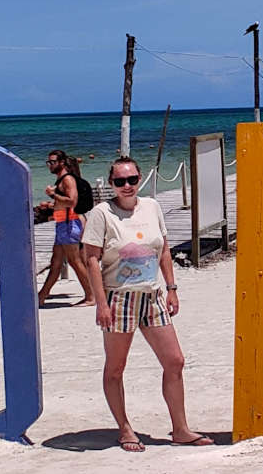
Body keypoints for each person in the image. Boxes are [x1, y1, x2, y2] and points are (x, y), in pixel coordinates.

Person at [82, 156, 213, 452]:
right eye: (119, 182)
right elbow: (90, 258)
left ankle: (180, 428)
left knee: (175, 361)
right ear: (111, 184)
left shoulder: (152, 207)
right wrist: (100, 303)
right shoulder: (102, 214)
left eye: (131, 180)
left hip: (152, 296)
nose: (126, 186)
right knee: (116, 367)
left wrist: (171, 288)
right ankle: (125, 429)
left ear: (140, 178)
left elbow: (163, 249)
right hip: (119, 298)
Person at [37, 150, 94, 306]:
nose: (50, 165)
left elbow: (71, 202)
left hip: (70, 224)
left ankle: (91, 296)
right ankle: (41, 297)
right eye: (48, 162)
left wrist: (52, 195)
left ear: (61, 162)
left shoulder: (67, 180)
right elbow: (64, 204)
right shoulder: (61, 180)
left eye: (53, 162)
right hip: (63, 223)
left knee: (75, 261)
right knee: (56, 262)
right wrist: (51, 205)